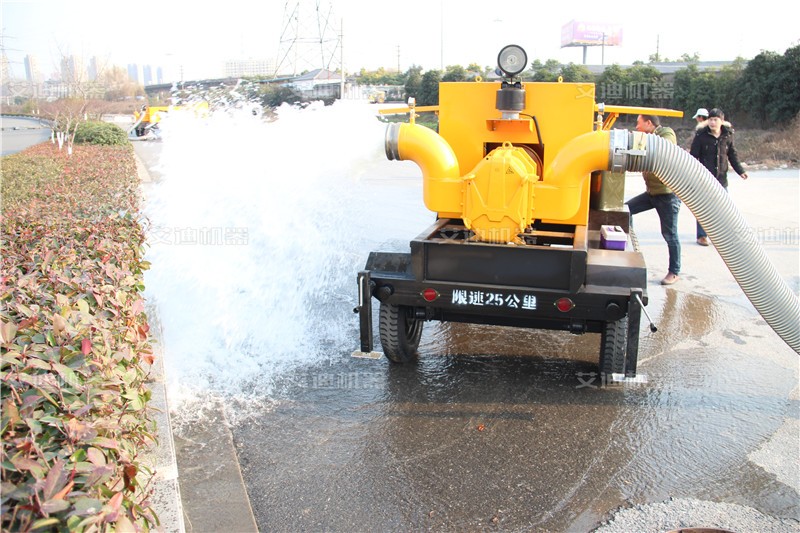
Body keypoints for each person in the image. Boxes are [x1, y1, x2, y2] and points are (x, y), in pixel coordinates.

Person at [625, 114, 681, 285]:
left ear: (649, 123)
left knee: (670, 234)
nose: (637, 127)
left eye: (639, 124)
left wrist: (640, 142)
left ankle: (674, 271)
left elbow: (665, 149)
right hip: (652, 193)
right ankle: (631, 251)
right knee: (626, 209)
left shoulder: (666, 134)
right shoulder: (647, 138)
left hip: (667, 195)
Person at [689, 108, 749, 246]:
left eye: (715, 120)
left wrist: (740, 171)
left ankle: (722, 235)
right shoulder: (701, 135)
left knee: (724, 207)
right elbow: (693, 156)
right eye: (710, 119)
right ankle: (702, 236)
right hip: (704, 178)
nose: (712, 122)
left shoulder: (727, 135)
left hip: (721, 178)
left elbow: (732, 154)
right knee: (703, 208)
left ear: (722, 121)